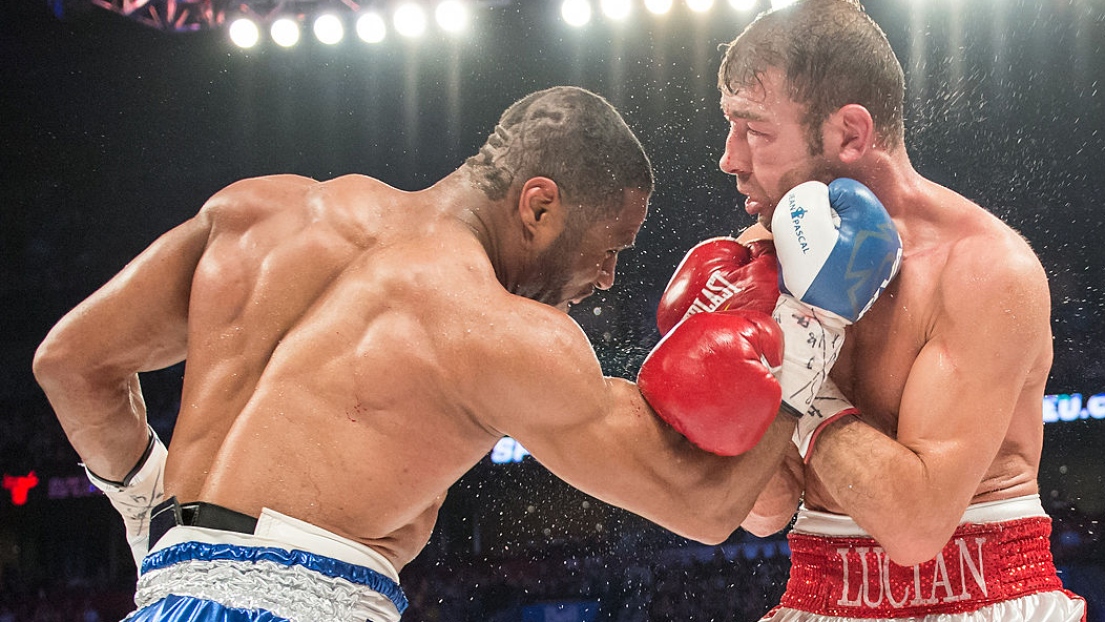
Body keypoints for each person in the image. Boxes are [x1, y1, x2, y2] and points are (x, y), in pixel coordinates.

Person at [33, 86, 800, 622]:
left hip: (165, 598)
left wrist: (148, 511)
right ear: (538, 205)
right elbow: (702, 507)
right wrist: (813, 328)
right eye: (609, 249)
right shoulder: (493, 330)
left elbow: (71, 364)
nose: (605, 279)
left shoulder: (259, 211)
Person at [708, 0, 1086, 619]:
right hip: (818, 592)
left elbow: (915, 526)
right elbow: (762, 510)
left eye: (754, 129)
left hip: (981, 593)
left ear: (851, 135)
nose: (730, 157)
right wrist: (726, 371)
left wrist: (793, 360)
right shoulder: (761, 260)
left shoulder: (984, 270)